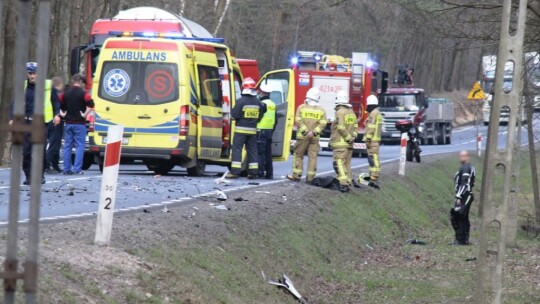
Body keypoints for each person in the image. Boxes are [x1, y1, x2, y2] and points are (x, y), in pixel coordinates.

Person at [10, 62, 60, 185]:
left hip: (41, 123)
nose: (32, 76)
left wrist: (57, 114)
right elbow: (14, 103)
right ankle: (28, 176)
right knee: (26, 151)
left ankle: (40, 175)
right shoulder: (23, 86)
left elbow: (55, 101)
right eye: (30, 73)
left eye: (35, 73)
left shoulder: (48, 85)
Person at [227, 77, 266, 179]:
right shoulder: (258, 102)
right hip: (252, 131)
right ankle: (253, 172)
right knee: (252, 151)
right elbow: (260, 116)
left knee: (237, 150)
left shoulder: (240, 101)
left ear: (243, 87)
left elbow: (234, 115)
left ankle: (235, 172)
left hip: (240, 131)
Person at [287, 87, 327, 183]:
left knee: (298, 155)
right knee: (313, 157)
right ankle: (310, 178)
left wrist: (306, 132)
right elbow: (323, 123)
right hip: (315, 137)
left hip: (302, 136)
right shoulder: (321, 110)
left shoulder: (301, 107)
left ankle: (296, 176)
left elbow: (298, 120)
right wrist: (314, 132)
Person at [60, 74, 94, 175]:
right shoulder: (84, 93)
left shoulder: (65, 93)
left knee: (67, 146)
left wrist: (63, 113)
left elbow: (59, 103)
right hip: (80, 123)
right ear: (80, 82)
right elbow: (91, 104)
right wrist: (84, 114)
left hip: (68, 123)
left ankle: (66, 169)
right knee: (80, 146)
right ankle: (77, 169)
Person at [330, 90, 357, 193]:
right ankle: (349, 181)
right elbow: (355, 127)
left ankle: (344, 183)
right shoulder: (351, 112)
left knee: (340, 163)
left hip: (341, 143)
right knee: (347, 164)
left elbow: (340, 128)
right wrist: (353, 137)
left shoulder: (340, 112)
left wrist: (348, 138)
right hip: (349, 144)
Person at [450, 150, 476, 245]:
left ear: (468, 157)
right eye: (461, 156)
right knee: (463, 217)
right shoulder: (466, 167)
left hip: (465, 195)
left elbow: (465, 183)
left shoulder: (466, 167)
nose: (462, 157)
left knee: (458, 216)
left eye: (464, 156)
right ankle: (463, 239)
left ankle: (461, 239)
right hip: (466, 195)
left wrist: (459, 196)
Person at [256, 83, 277, 179]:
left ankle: (260, 172)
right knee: (268, 153)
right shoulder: (273, 104)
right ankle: (269, 174)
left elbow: (258, 117)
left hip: (261, 130)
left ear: (262, 93)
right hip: (269, 131)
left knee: (260, 153)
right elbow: (275, 120)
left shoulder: (262, 104)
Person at [46, 76, 65, 173]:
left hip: (48, 120)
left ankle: (52, 164)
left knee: (51, 143)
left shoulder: (47, 93)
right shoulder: (58, 95)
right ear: (59, 85)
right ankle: (48, 163)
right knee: (55, 144)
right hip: (57, 121)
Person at [364, 94, 382, 187]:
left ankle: (374, 176)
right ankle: (374, 174)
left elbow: (371, 127)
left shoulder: (373, 114)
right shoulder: (378, 113)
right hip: (376, 139)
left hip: (372, 140)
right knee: (375, 158)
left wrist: (367, 139)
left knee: (373, 158)